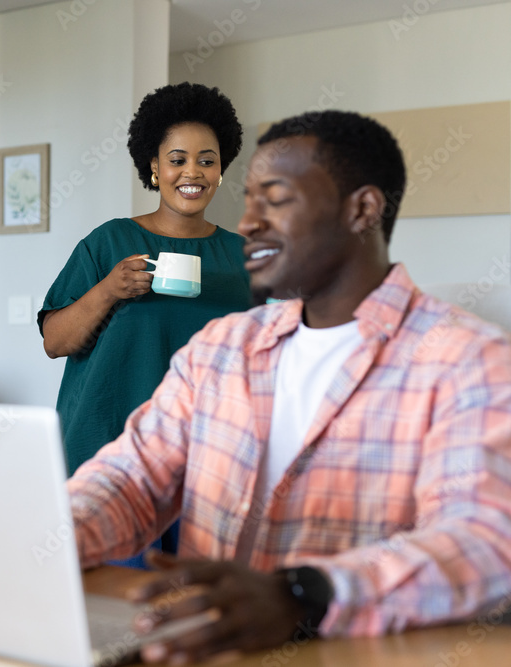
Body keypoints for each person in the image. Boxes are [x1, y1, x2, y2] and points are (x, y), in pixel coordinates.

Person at [67, 109, 511, 664]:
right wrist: (56, 531)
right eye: (248, 199)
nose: (248, 222)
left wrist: (301, 594)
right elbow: (133, 476)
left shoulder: (469, 359)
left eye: (273, 199)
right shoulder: (220, 348)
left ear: (362, 209)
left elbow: (484, 542)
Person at [39, 82, 252, 488]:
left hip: (209, 461)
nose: (193, 172)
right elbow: (55, 342)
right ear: (155, 166)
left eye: (207, 161)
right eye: (178, 159)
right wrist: (109, 290)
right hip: (109, 455)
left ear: (221, 169)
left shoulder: (243, 257)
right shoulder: (109, 243)